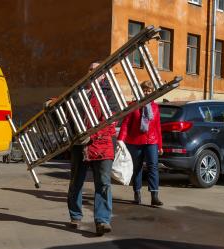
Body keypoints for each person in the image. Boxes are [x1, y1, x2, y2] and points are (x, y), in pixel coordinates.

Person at [64, 62, 118, 236]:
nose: (93, 72)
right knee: (76, 182)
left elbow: (115, 120)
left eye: (98, 70)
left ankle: (102, 221)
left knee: (103, 184)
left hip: (102, 145)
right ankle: (75, 216)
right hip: (79, 145)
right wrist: (53, 102)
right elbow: (66, 111)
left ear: (103, 74)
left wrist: (93, 135)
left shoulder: (110, 93)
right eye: (90, 69)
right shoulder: (77, 92)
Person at [117, 80, 164, 206]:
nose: (147, 92)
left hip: (151, 141)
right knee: (137, 168)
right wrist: (121, 139)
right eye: (144, 90)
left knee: (153, 166)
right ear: (140, 91)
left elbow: (158, 127)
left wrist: (160, 145)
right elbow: (126, 124)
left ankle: (154, 196)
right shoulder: (134, 105)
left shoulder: (155, 107)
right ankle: (137, 193)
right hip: (135, 141)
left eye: (149, 90)